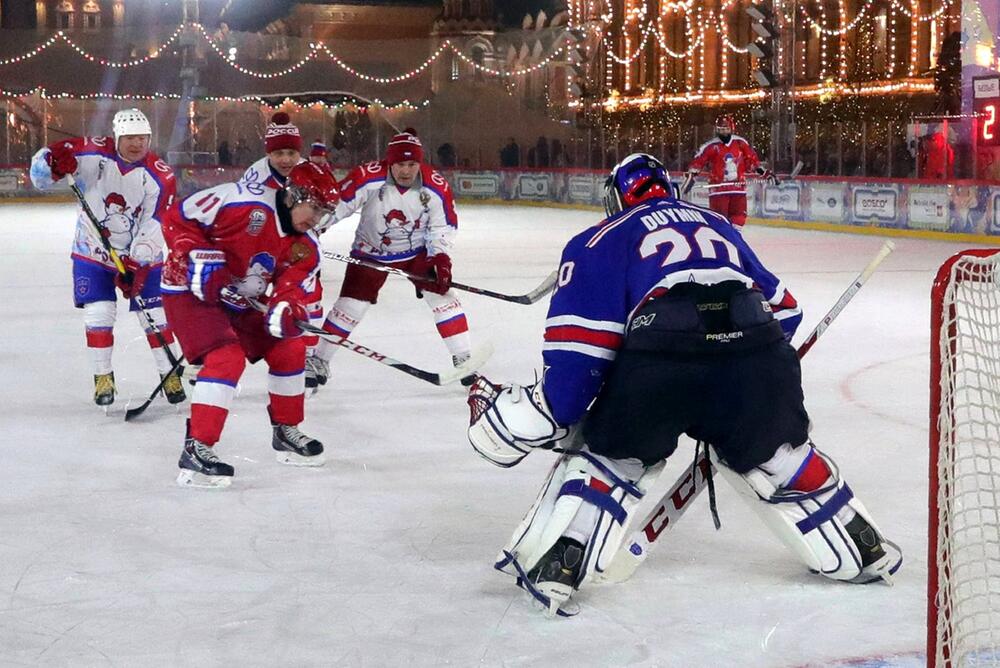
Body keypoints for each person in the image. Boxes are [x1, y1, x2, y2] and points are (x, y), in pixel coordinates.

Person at [466, 153, 902, 617]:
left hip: (663, 365)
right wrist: (743, 369)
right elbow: (787, 312)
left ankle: (561, 563)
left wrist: (540, 414)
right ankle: (864, 548)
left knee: (613, 456)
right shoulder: (717, 224)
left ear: (616, 197)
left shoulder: (601, 237)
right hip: (756, 358)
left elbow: (578, 364)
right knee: (781, 455)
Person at [160, 162, 339, 488]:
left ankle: (286, 431)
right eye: (314, 208)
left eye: (324, 213)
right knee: (226, 357)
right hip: (188, 292)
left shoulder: (307, 248)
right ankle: (197, 448)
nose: (317, 219)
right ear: (294, 195)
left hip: (240, 299)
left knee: (290, 346)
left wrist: (287, 309)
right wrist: (194, 254)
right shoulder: (242, 201)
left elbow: (291, 288)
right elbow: (177, 218)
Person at [29, 108, 185, 407]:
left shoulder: (161, 175)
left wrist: (136, 261)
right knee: (99, 314)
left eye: (142, 138)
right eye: (129, 138)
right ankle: (102, 377)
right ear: (116, 137)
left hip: (142, 256)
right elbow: (40, 174)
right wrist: (51, 166)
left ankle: (169, 373)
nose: (136, 144)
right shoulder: (91, 152)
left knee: (154, 317)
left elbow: (157, 223)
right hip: (93, 252)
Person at [310, 129, 473, 390]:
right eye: (400, 164)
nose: (406, 171)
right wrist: (312, 229)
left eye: (412, 164)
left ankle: (463, 357)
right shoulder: (368, 177)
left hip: (417, 251)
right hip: (371, 251)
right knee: (351, 305)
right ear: (390, 162)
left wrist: (440, 257)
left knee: (442, 296)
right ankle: (318, 360)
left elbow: (442, 227)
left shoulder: (435, 185)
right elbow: (337, 205)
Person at [240, 116, 326, 389]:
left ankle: (309, 355)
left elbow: (322, 209)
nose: (286, 159)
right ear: (268, 153)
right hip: (263, 243)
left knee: (309, 293)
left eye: (291, 152)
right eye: (279, 153)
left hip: (296, 242)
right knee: (245, 298)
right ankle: (217, 353)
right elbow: (245, 217)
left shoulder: (307, 171)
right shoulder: (255, 177)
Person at [682, 115, 777, 228]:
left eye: (726, 129)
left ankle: (734, 241)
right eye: (721, 130)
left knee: (739, 220)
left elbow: (752, 161)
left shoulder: (740, 143)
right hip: (718, 191)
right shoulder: (711, 146)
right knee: (720, 222)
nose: (724, 132)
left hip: (738, 189)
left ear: (731, 129)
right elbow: (698, 162)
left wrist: (766, 174)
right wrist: (692, 175)